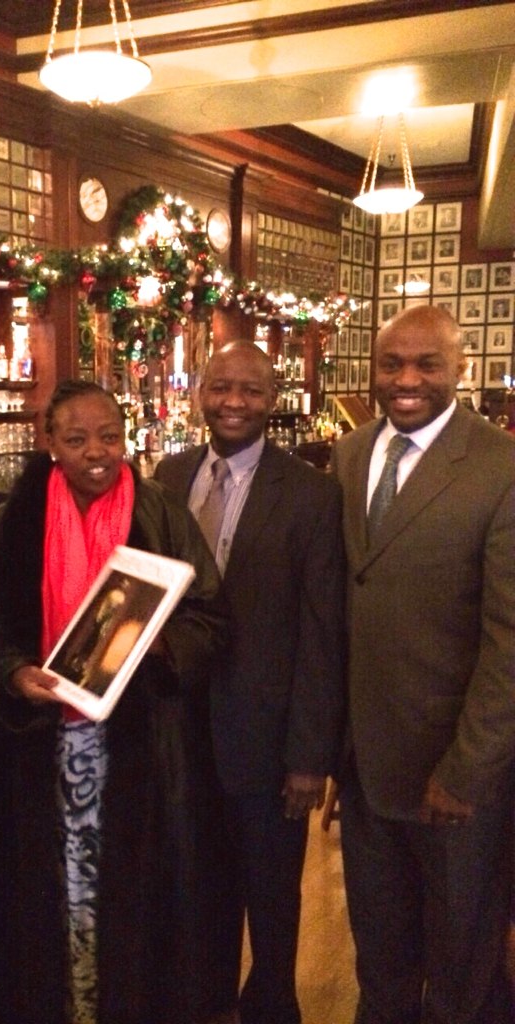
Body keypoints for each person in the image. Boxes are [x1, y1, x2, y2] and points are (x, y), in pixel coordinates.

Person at [0, 379, 233, 1024]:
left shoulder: (161, 512)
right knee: (52, 897)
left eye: (109, 436)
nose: (96, 452)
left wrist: (159, 643)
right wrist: (13, 672)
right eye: (76, 439)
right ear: (50, 442)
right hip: (41, 744)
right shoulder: (16, 519)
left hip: (139, 746)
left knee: (133, 898)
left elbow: (212, 617)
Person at [330, 304, 515, 1023]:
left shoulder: (500, 466)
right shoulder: (351, 454)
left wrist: (468, 769)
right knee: (379, 956)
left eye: (426, 364)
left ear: (459, 368)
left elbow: (509, 641)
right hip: (364, 768)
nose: (406, 379)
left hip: (455, 775)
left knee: (462, 968)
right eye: (391, 364)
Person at [155, 341, 346, 1024]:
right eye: (221, 387)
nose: (233, 402)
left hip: (266, 742)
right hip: (180, 734)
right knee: (195, 889)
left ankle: (271, 1007)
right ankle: (204, 1003)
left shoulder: (313, 494)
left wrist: (309, 756)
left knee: (270, 898)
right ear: (200, 392)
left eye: (251, 390)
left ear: (273, 399)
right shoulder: (169, 476)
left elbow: (322, 632)